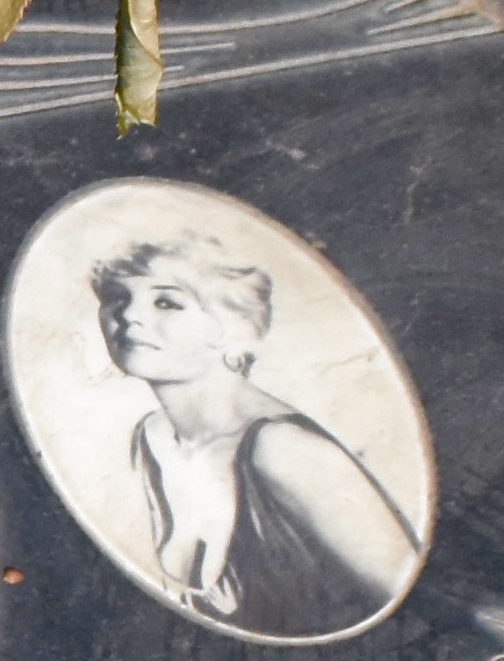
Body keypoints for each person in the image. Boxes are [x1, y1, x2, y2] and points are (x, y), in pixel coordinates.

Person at [91, 240, 421, 640]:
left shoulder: (286, 450)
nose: (128, 315)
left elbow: (414, 606)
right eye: (116, 297)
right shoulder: (153, 437)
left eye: (167, 303)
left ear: (235, 328)